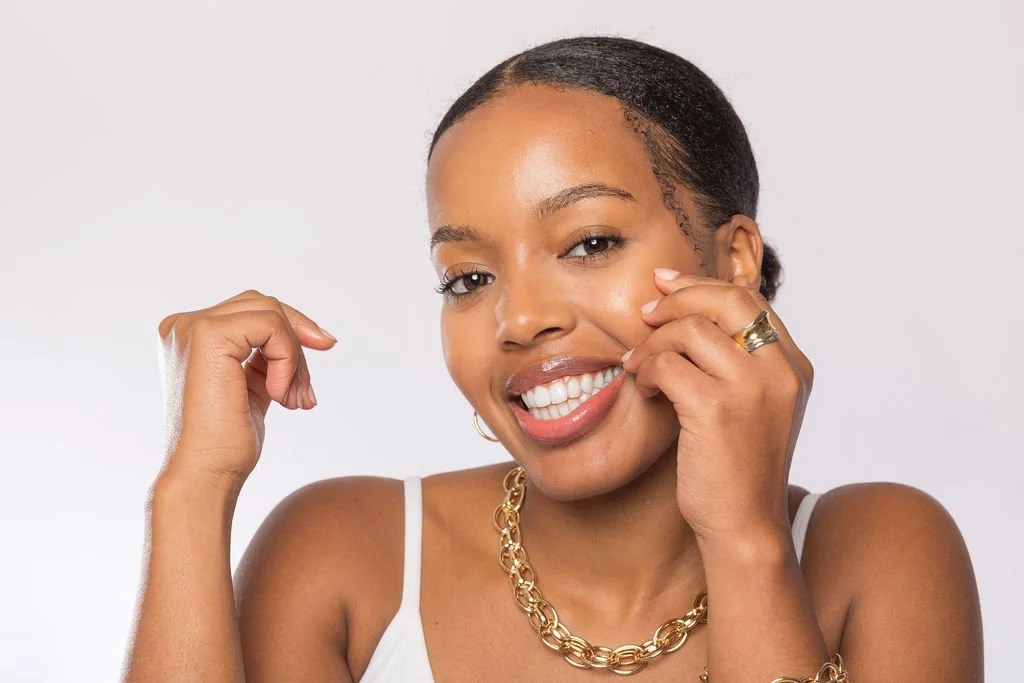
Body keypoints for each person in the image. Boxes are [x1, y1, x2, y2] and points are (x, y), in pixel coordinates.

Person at [121, 36, 983, 682]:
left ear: (735, 261)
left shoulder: (883, 553)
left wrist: (749, 538)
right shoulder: (345, 556)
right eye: (468, 277)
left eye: (590, 241)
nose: (519, 317)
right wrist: (190, 493)